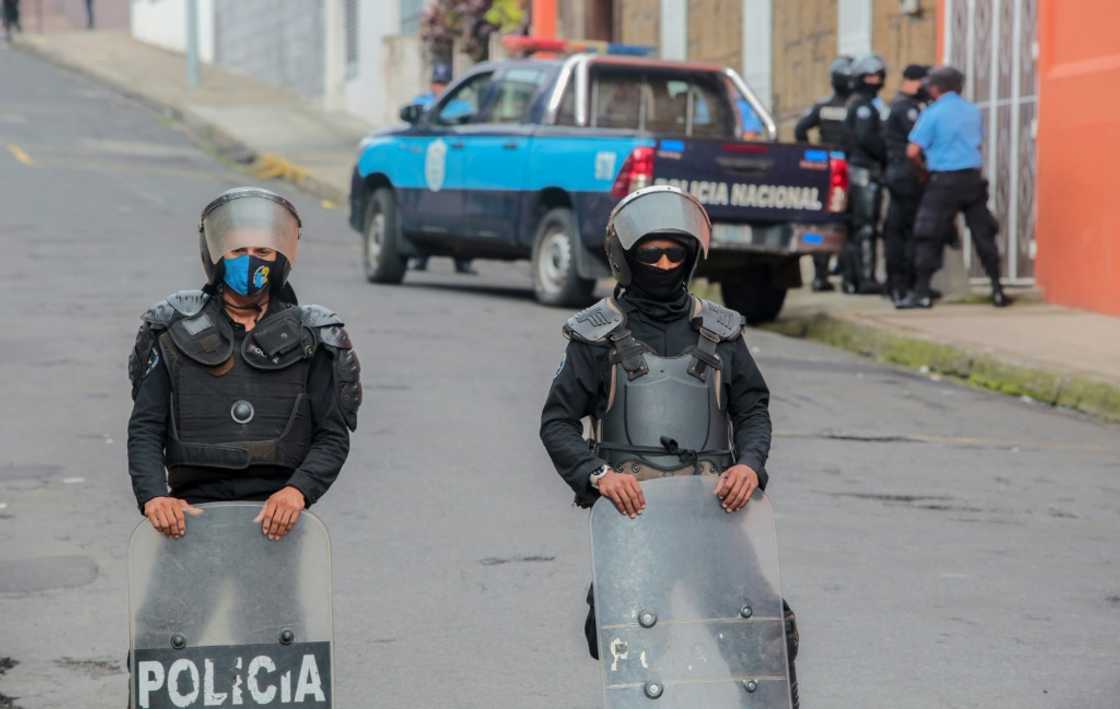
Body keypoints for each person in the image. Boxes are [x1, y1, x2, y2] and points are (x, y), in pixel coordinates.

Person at [539, 185, 798, 705]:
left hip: (715, 512)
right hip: (636, 520)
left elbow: (752, 409)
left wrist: (750, 466)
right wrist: (597, 476)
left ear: (691, 257)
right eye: (650, 253)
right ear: (625, 258)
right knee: (624, 641)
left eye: (673, 253)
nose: (662, 262)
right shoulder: (594, 337)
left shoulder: (721, 332)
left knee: (767, 632)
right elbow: (557, 423)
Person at [127, 187, 361, 541]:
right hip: (189, 518)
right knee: (172, 600)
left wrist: (298, 491)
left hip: (277, 520)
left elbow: (331, 436)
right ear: (217, 255)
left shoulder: (312, 336)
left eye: (262, 251)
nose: (250, 260)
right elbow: (145, 427)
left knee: (281, 600)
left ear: (281, 257)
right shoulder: (173, 329)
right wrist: (155, 497)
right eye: (238, 251)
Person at [899, 65, 1010, 308]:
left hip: (943, 180)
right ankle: (997, 289)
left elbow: (912, 150)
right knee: (984, 233)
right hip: (972, 179)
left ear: (935, 88)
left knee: (929, 234)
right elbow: (977, 145)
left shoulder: (933, 112)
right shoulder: (972, 111)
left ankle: (922, 293)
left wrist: (922, 172)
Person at [408, 62, 475, 275]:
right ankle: (421, 257)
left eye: (444, 84)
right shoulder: (422, 103)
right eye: (437, 83)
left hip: (453, 169)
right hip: (427, 170)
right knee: (425, 210)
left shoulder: (461, 107)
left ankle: (462, 260)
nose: (440, 88)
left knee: (457, 212)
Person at [795, 55, 854, 291]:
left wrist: (814, 154)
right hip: (851, 171)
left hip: (826, 173)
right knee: (852, 224)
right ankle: (849, 275)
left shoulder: (822, 107)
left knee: (823, 222)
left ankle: (820, 276)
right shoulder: (858, 107)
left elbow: (800, 130)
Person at [882, 64, 930, 304]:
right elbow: (917, 144)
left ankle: (897, 285)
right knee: (906, 233)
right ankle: (903, 287)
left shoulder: (902, 105)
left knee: (896, 231)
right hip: (906, 177)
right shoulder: (905, 108)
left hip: (899, 175)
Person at [840, 53, 888, 295]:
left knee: (859, 228)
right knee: (866, 228)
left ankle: (853, 279)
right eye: (870, 76)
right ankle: (865, 278)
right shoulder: (863, 107)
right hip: (864, 172)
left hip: (859, 170)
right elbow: (866, 138)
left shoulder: (859, 104)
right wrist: (886, 154)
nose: (875, 81)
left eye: (878, 76)